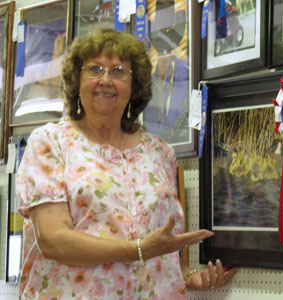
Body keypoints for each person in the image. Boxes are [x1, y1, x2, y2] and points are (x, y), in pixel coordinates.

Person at [16, 28, 237, 299]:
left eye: (119, 71)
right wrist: (139, 249)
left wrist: (190, 276)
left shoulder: (159, 153)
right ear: (76, 80)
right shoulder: (50, 143)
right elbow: (53, 241)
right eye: (95, 69)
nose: (106, 80)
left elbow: (164, 250)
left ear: (134, 86)